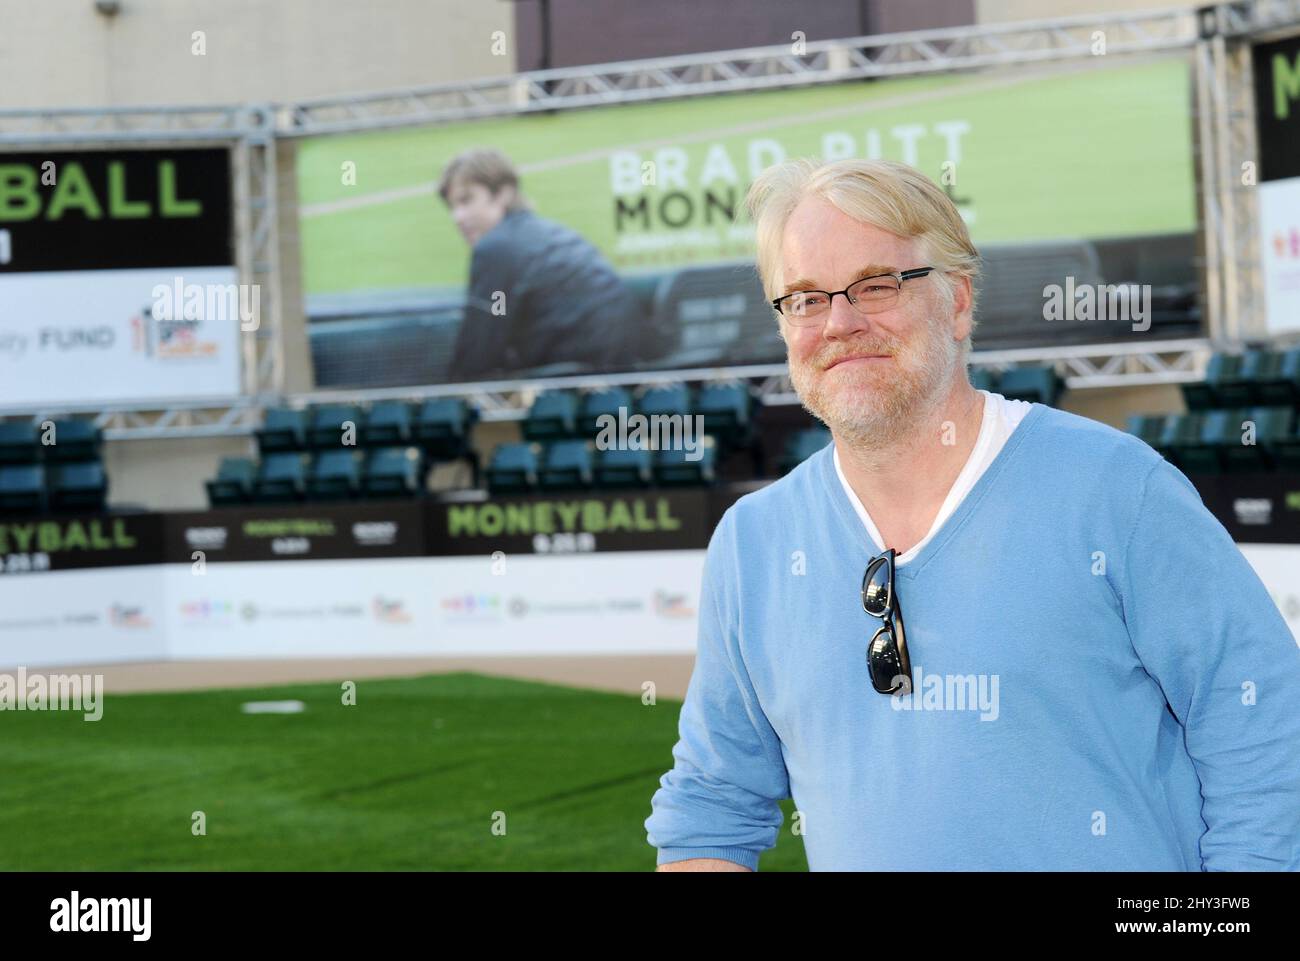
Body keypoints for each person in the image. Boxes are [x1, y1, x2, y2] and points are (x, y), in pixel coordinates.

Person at [645, 157, 1300, 871]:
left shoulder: (1116, 491)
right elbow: (712, 807)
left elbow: (1265, 736)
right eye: (804, 298)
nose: (839, 322)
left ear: (957, 300)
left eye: (876, 284)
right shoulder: (753, 543)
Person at [437, 148, 642, 382]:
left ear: (503, 193)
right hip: (619, 372)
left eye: (466, 200)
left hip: (574, 379)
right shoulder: (549, 232)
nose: (458, 217)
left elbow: (480, 349)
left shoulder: (496, 249)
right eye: (453, 207)